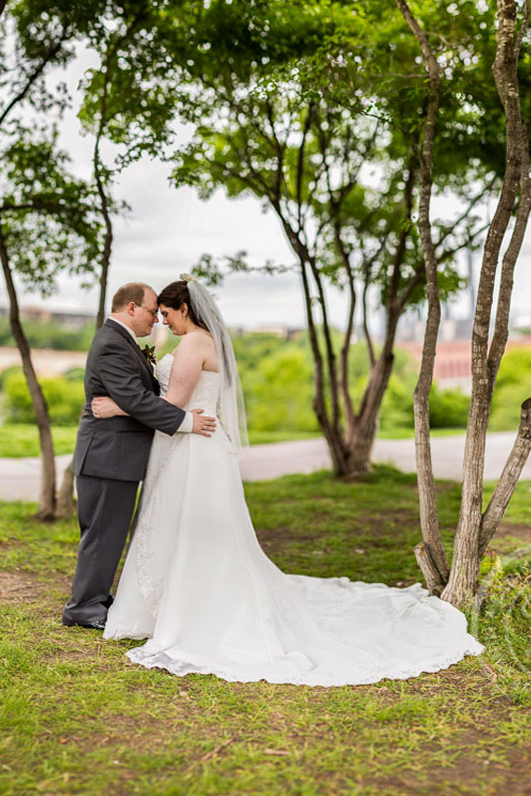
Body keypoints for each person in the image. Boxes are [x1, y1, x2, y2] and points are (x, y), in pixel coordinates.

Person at [87, 275, 484, 685]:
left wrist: (116, 408)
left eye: (167, 314)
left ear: (184, 309)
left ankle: (192, 611)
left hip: (192, 448)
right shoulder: (205, 340)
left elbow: (173, 403)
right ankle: (169, 604)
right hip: (192, 442)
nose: (163, 322)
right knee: (190, 528)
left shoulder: (193, 343)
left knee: (191, 529)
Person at [61, 282, 216, 630]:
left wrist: (118, 406)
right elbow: (138, 399)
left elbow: (132, 398)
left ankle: (97, 597)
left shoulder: (120, 341)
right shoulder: (112, 343)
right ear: (132, 309)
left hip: (116, 456)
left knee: (109, 532)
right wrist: (187, 422)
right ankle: (82, 607)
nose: (156, 322)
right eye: (152, 313)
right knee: (101, 533)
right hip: (106, 457)